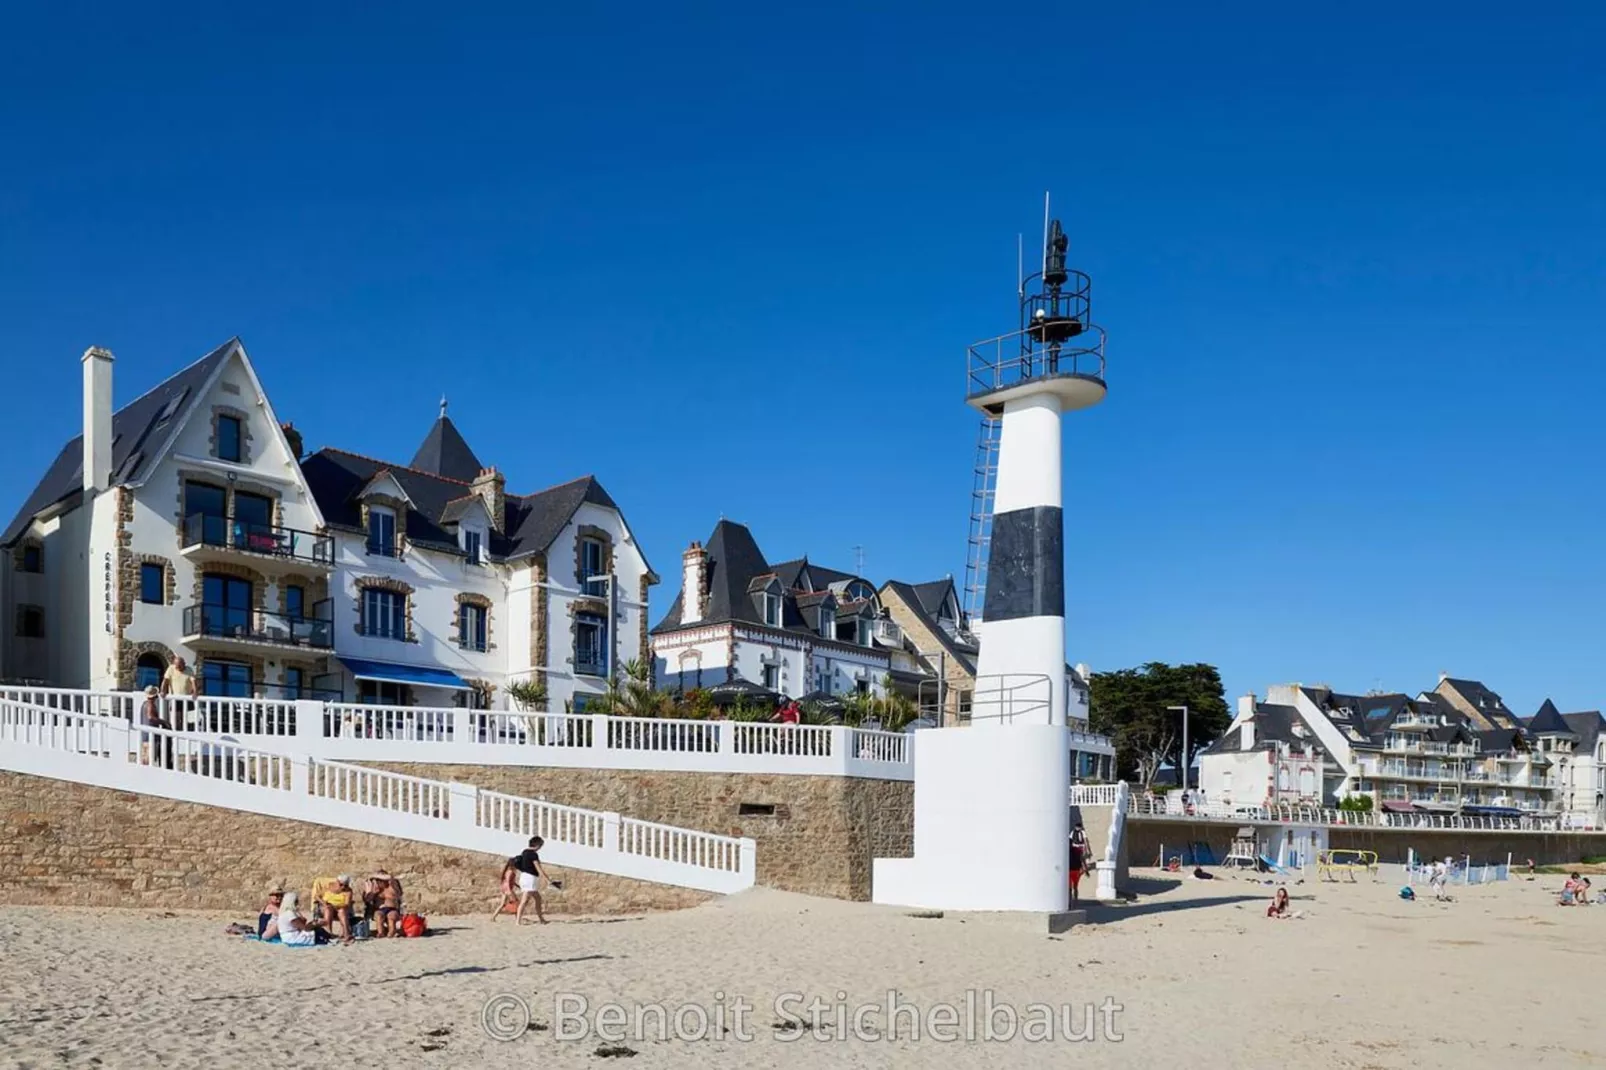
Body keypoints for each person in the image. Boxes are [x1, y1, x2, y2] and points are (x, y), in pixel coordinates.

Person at [514, 836, 553, 925]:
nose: (540, 848)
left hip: (525, 877)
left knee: (538, 899)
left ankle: (541, 919)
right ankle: (518, 921)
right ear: (537, 845)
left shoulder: (524, 852)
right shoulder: (533, 854)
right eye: (540, 845)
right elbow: (538, 868)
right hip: (530, 878)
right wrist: (547, 879)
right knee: (524, 900)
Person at [312, 875, 356, 943]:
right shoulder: (328, 886)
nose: (343, 887)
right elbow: (316, 896)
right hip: (326, 907)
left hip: (340, 909)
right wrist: (324, 903)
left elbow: (347, 904)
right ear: (337, 882)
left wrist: (338, 906)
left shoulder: (348, 891)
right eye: (341, 884)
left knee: (342, 911)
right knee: (328, 909)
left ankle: (346, 934)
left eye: (346, 885)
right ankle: (329, 933)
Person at [139, 685, 173, 768]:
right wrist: (163, 722)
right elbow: (150, 717)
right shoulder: (151, 704)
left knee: (145, 758)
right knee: (150, 758)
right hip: (151, 735)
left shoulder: (144, 704)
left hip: (144, 734)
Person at [160, 655, 196, 731]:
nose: (178, 668)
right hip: (175, 698)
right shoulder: (171, 668)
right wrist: (162, 690)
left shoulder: (189, 670)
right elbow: (165, 680)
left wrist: (195, 692)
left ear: (184, 664)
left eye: (179, 666)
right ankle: (176, 732)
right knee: (175, 718)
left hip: (187, 698)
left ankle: (185, 733)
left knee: (186, 719)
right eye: (176, 666)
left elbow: (193, 682)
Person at [490, 857, 520, 921]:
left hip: (505, 889)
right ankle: (517, 918)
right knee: (516, 903)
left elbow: (510, 881)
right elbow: (508, 881)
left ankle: (493, 917)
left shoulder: (508, 871)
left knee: (502, 904)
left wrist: (517, 885)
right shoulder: (510, 871)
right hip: (508, 889)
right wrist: (509, 891)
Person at [1067, 824, 1088, 901]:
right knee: (1074, 887)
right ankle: (1074, 899)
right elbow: (1082, 859)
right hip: (1075, 870)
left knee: (1070, 887)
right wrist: (1085, 869)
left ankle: (1071, 900)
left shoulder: (1067, 851)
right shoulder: (1076, 851)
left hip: (1072, 870)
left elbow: (1082, 859)